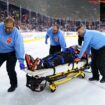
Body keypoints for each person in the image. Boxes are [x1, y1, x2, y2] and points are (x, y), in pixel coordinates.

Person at [0, 17, 25, 92]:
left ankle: (14, 84)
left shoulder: (16, 33)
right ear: (4, 25)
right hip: (1, 52)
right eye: (7, 27)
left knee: (10, 69)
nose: (8, 30)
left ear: (14, 26)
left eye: (10, 28)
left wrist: (21, 61)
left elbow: (19, 47)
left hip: (11, 53)